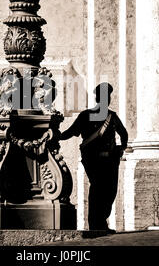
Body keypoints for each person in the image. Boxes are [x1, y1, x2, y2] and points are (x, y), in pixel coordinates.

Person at [59, 82, 128, 233]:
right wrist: (57, 136)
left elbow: (123, 133)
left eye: (108, 96)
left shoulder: (104, 116)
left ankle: (99, 223)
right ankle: (97, 224)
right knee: (101, 189)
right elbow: (71, 131)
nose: (107, 99)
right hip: (98, 159)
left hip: (102, 159)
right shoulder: (92, 115)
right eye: (105, 96)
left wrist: (121, 149)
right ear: (99, 98)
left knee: (105, 190)